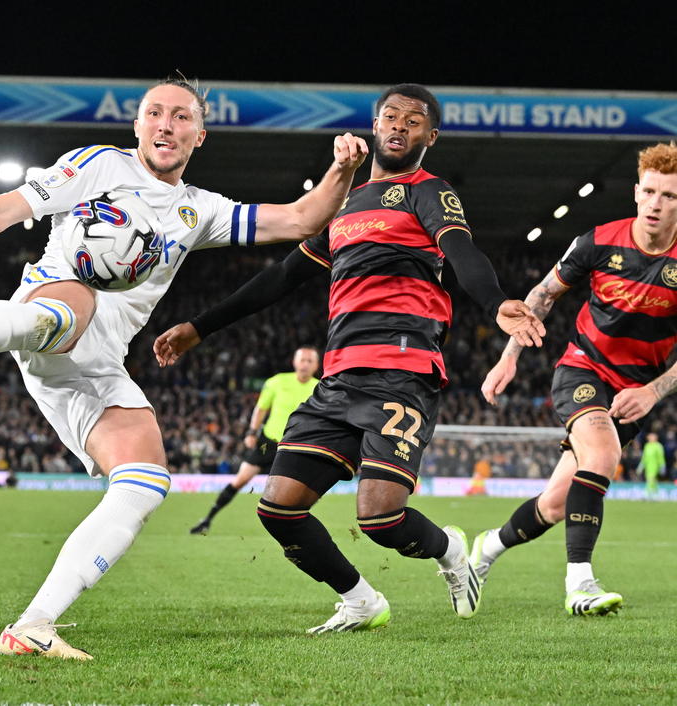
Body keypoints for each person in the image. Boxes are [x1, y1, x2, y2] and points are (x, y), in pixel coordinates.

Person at [0, 77, 370, 660]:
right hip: (44, 314)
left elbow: (302, 219)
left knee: (145, 482)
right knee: (68, 310)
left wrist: (342, 170)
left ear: (199, 135)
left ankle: (34, 625)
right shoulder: (98, 166)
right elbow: (1, 211)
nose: (165, 124)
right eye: (154, 112)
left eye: (180, 117)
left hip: (97, 368)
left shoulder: (201, 210)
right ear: (136, 125)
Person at [155, 83, 544, 633]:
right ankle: (361, 600)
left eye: (413, 121)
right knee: (278, 508)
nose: (399, 127)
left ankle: (451, 551)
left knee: (381, 518)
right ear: (375, 124)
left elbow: (462, 252)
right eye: (390, 116)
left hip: (402, 373)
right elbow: (280, 279)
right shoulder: (342, 209)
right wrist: (199, 327)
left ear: (429, 136)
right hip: (338, 380)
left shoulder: (427, 191)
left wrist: (497, 300)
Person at [474, 141, 677, 616]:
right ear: (635, 192)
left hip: (636, 391)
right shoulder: (597, 241)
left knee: (556, 504)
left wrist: (652, 391)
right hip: (582, 368)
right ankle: (580, 585)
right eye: (649, 192)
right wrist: (509, 358)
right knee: (603, 453)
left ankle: (485, 551)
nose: (655, 204)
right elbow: (542, 297)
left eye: (669, 196)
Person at [189, 345, 320, 535]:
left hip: (296, 447)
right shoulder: (277, 382)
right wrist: (251, 432)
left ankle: (295, 528)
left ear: (316, 365)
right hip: (268, 443)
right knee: (241, 479)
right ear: (294, 362)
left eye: (310, 361)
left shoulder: (320, 388)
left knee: (296, 491)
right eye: (302, 360)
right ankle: (207, 519)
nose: (305, 364)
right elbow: (261, 409)